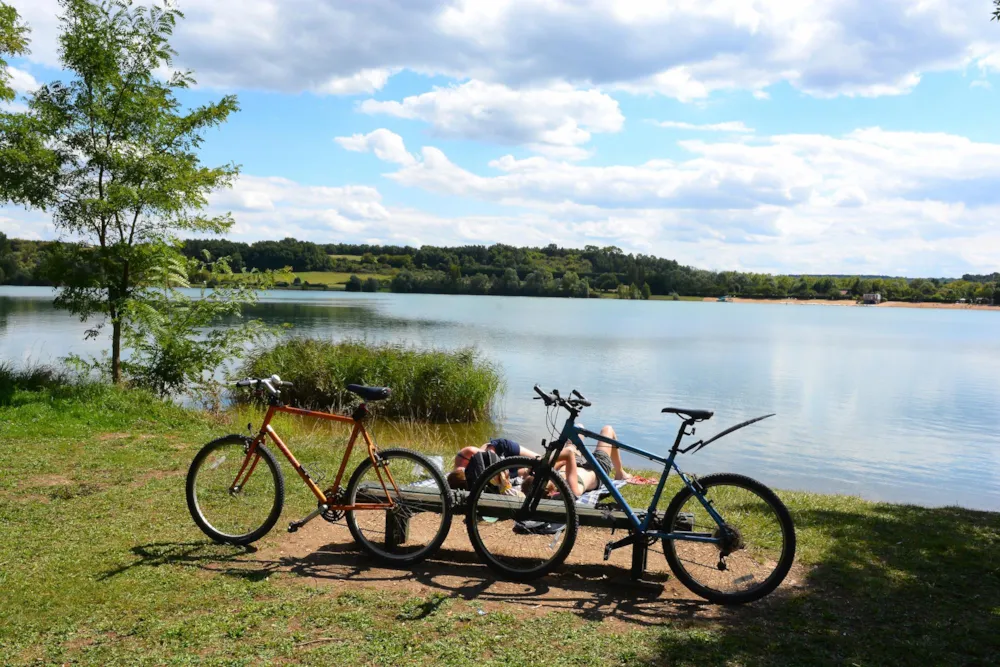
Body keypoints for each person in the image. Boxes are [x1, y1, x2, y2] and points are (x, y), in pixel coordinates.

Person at [446, 438, 541, 490]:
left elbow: (488, 452)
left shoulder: (464, 456)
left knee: (540, 461)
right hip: (499, 473)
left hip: (503, 450)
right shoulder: (469, 481)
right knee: (531, 472)